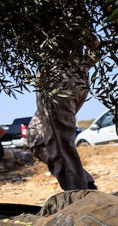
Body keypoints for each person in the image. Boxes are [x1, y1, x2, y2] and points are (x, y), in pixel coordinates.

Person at [26, 37, 99, 190]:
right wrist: (83, 67)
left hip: (58, 79)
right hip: (71, 78)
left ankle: (79, 196)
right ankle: (85, 183)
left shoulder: (53, 17)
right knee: (35, 135)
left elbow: (93, 42)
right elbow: (94, 44)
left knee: (60, 144)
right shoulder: (77, 17)